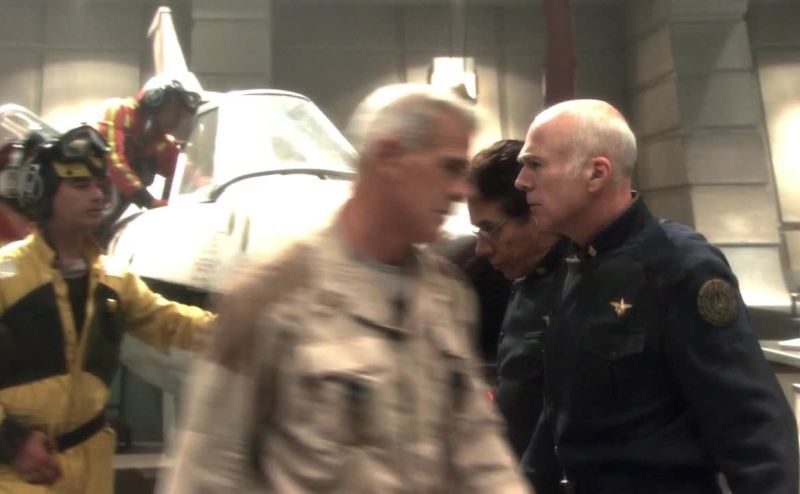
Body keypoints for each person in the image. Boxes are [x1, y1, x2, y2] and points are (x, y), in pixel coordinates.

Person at [161, 84, 530, 493]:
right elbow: (206, 469)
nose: (462, 191)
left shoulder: (446, 297)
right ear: (389, 157)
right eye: (449, 168)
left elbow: (478, 448)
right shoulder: (271, 296)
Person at [514, 99, 799, 494]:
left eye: (535, 164)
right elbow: (561, 410)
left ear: (596, 173)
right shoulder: (576, 261)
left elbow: (750, 426)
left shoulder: (679, 265)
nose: (521, 181)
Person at [0, 125, 215, 494]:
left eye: (100, 184)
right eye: (81, 185)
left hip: (92, 472)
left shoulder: (113, 278)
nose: (98, 195)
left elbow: (173, 322)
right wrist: (10, 441)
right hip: (19, 476)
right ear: (44, 191)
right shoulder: (7, 275)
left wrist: (245, 324)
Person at [466, 139, 564, 459]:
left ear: (536, 213)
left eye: (491, 229)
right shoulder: (520, 276)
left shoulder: (586, 284)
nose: (482, 248)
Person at [96, 77, 200, 233]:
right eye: (174, 112)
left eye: (181, 115)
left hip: (104, 214)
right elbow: (113, 160)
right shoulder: (118, 111)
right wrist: (149, 201)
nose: (177, 120)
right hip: (84, 199)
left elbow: (185, 172)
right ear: (154, 100)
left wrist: (208, 186)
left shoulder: (161, 142)